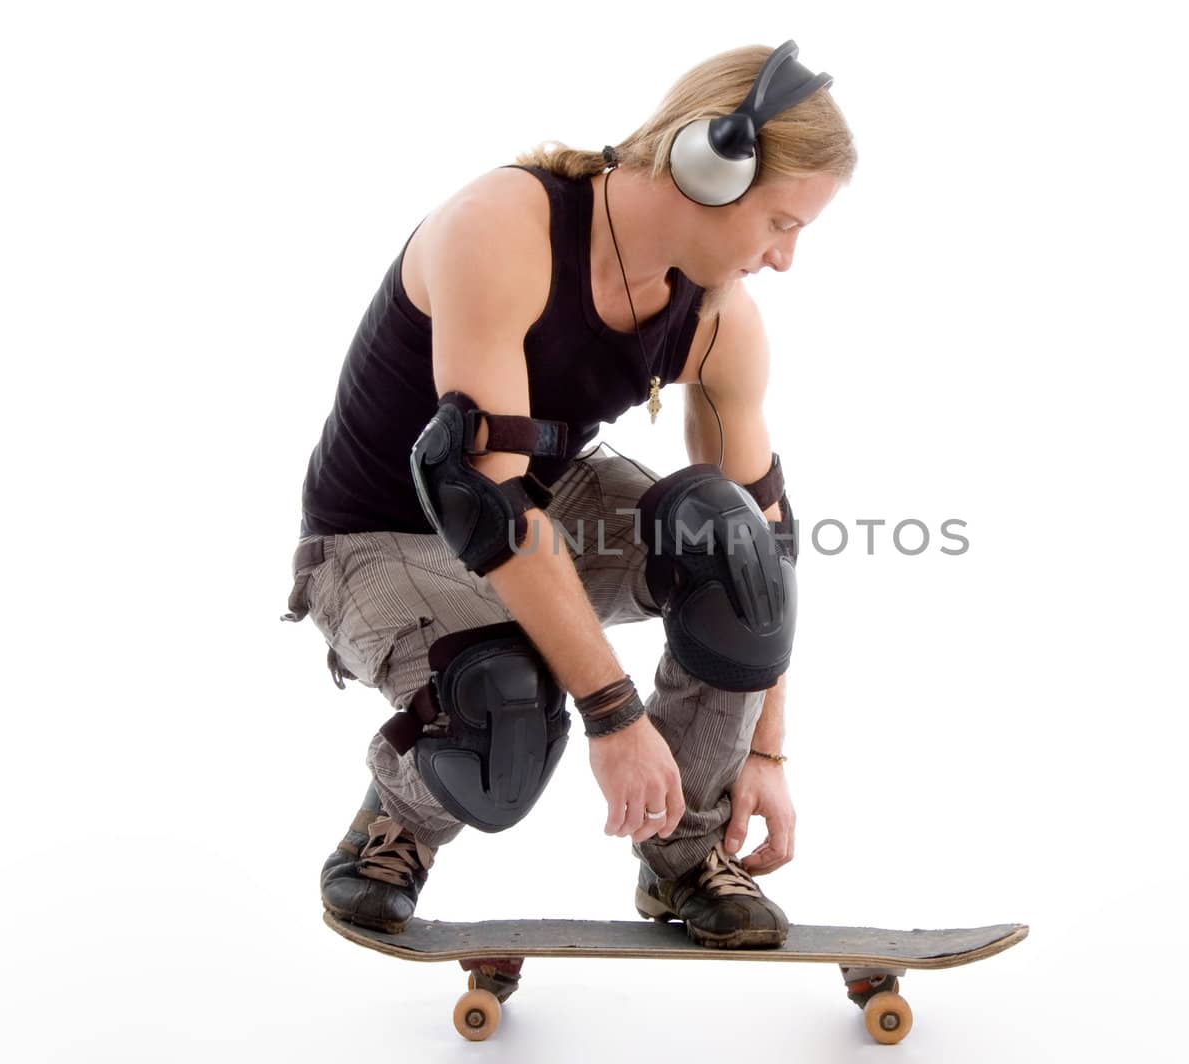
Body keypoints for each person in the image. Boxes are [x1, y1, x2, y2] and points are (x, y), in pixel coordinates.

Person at [282, 41, 855, 1000]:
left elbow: (768, 542)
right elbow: (484, 502)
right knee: (503, 706)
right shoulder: (503, 226)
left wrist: (765, 749)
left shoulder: (720, 317)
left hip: (537, 509)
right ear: (710, 166)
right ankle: (398, 819)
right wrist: (615, 717)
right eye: (781, 221)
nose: (784, 258)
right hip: (379, 534)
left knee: (736, 548)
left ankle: (687, 852)